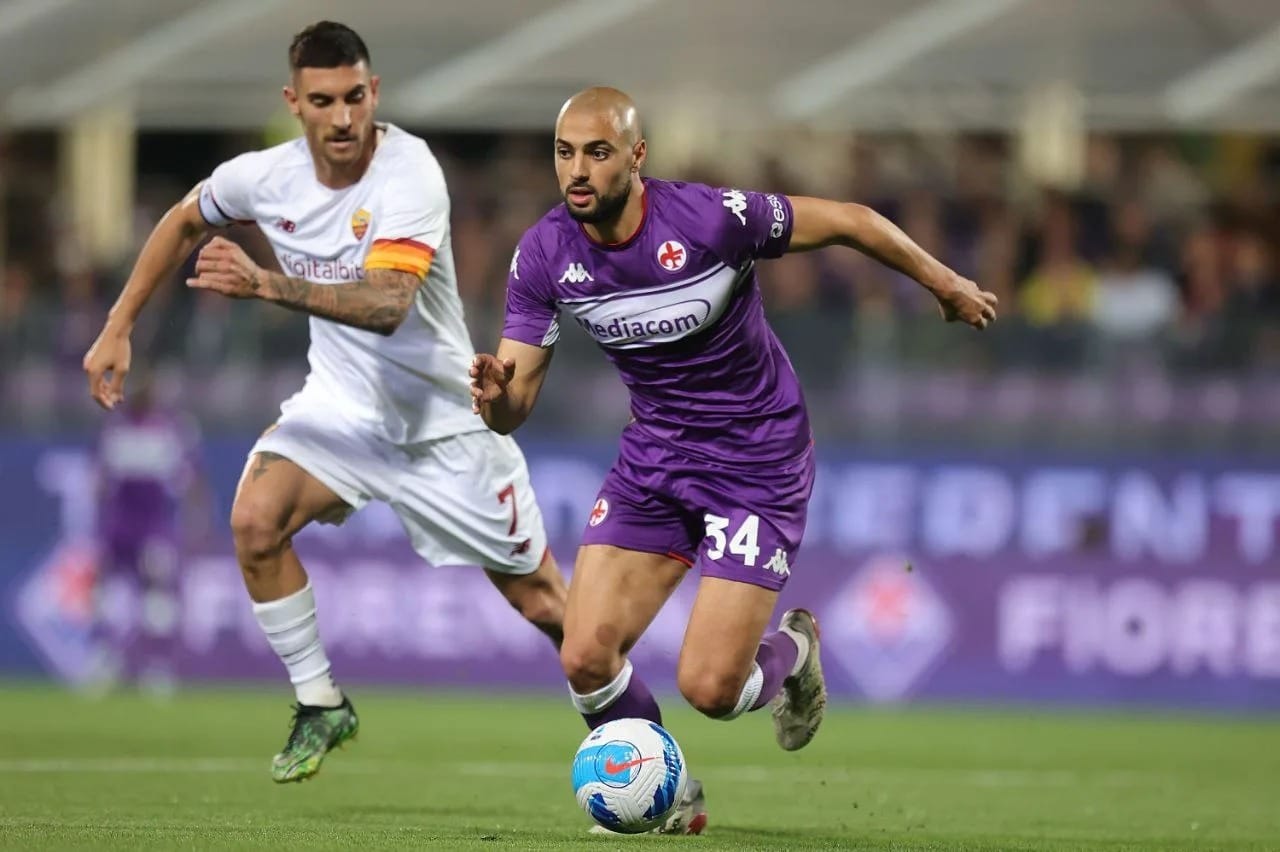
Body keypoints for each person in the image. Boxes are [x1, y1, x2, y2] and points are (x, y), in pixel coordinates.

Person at [470, 87, 998, 835]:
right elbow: (514, 405)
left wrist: (943, 283)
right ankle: (670, 793)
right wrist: (496, 399)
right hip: (655, 459)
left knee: (712, 689)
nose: (578, 170)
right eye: (565, 153)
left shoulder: (712, 219)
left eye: (598, 152)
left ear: (636, 156)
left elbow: (851, 221)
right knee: (585, 655)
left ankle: (794, 650)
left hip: (757, 460)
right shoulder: (545, 255)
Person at [82, 21, 568, 784]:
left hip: (442, 425)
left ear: (373, 93)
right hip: (340, 412)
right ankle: (320, 702)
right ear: (294, 103)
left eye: (354, 97)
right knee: (254, 520)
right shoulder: (263, 178)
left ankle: (658, 732)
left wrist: (264, 283)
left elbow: (388, 304)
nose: (342, 118)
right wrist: (117, 327)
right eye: (322, 101)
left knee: (550, 610)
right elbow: (183, 218)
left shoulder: (409, 172)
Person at [91, 375, 205, 697]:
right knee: (108, 589)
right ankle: (106, 659)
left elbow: (191, 479)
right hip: (120, 522)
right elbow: (100, 479)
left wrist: (196, 520)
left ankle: (157, 667)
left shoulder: (172, 429)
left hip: (154, 524)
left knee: (157, 594)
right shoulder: (115, 429)